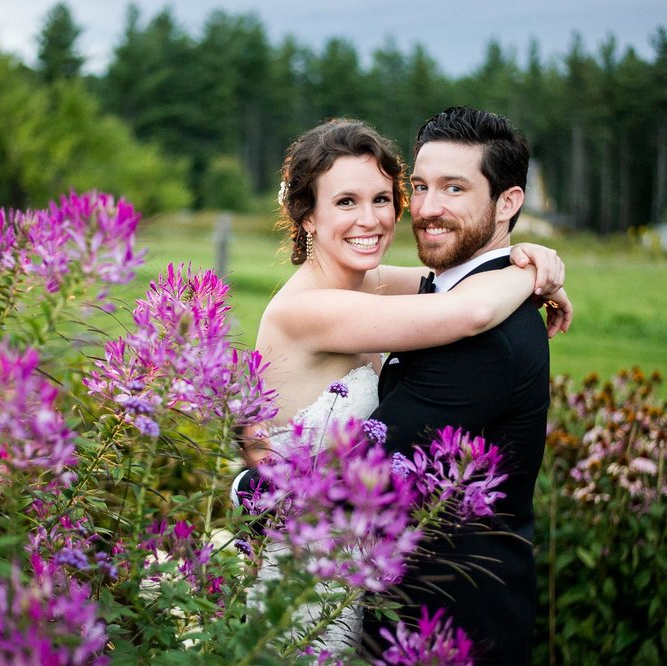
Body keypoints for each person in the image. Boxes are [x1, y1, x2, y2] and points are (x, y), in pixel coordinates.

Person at [231, 117, 571, 654]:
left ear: (507, 201)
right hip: (307, 576)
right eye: (345, 201)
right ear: (306, 216)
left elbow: (449, 286)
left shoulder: (375, 284)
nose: (371, 219)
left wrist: (531, 258)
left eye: (384, 198)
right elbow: (472, 306)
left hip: (420, 607)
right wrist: (532, 276)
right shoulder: (310, 309)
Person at [358, 106, 556, 665]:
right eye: (419, 187)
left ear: (508, 202)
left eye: (453, 188)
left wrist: (250, 484)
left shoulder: (484, 335)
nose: (426, 209)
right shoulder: (457, 294)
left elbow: (371, 465)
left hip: (448, 629)